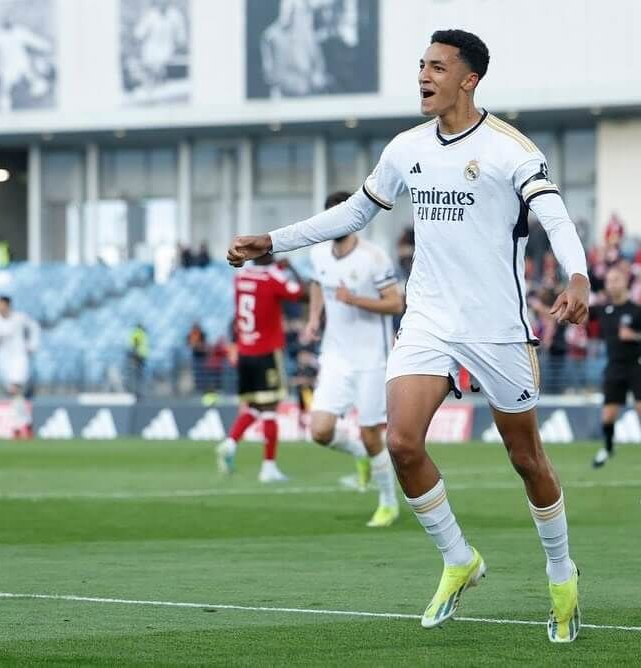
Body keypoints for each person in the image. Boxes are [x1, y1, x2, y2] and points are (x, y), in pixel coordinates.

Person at [226, 29, 589, 642]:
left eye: (438, 67)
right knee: (400, 442)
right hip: (427, 319)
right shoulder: (406, 147)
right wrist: (273, 241)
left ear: (469, 79)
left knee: (526, 458)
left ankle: (560, 572)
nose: (424, 76)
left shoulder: (511, 150)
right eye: (422, 65)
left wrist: (578, 276)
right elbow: (355, 212)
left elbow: (554, 216)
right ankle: (458, 558)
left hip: (497, 326)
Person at [300, 190, 404, 528]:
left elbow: (396, 303)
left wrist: (354, 299)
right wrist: (314, 318)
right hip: (335, 355)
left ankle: (388, 503)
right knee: (319, 431)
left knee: (371, 434)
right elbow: (318, 284)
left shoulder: (374, 257)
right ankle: (360, 456)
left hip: (372, 358)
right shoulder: (319, 253)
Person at [215, 254, 302, 482]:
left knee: (254, 406)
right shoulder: (272, 278)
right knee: (271, 408)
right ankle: (268, 468)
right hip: (266, 352)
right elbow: (298, 294)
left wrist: (275, 267)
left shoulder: (240, 276)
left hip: (245, 352)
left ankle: (230, 443)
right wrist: (291, 268)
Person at [589, 266, 641, 471]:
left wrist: (635, 336)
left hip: (635, 366)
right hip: (614, 366)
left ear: (625, 282)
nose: (612, 284)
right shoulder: (602, 310)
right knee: (608, 415)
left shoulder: (636, 310)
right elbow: (578, 316)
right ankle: (608, 449)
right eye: (609, 281)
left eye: (616, 280)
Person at [0, 296, 39, 438]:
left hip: (19, 358)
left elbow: (34, 327)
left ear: (7, 305)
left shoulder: (20, 318)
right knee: (15, 394)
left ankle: (16, 426)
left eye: (0, 304)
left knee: (15, 389)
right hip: (4, 361)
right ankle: (26, 423)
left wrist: (32, 345)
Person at [0, 17, 53, 111]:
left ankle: (40, 87)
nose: (7, 24)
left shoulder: (19, 32)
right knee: (6, 86)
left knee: (31, 77)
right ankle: (4, 106)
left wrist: (46, 46)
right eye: (5, 23)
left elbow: (33, 39)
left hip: (22, 63)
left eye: (9, 22)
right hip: (9, 65)